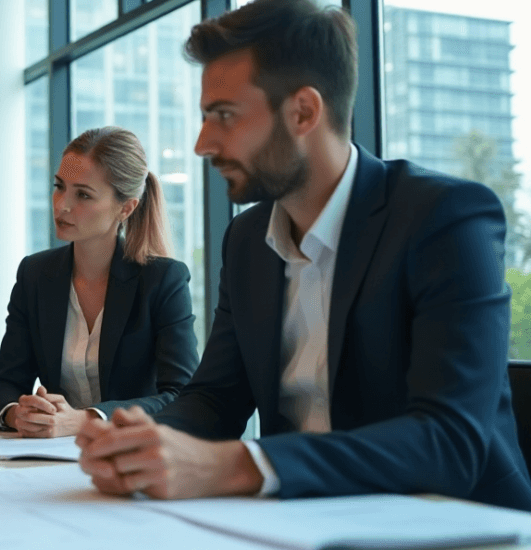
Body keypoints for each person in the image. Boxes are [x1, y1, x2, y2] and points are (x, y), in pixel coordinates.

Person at [77, 0, 531, 511]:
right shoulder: (247, 239)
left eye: (223, 116)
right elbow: (215, 399)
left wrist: (238, 465)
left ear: (304, 112)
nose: (204, 144)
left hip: (459, 523)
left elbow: (450, 440)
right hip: (301, 519)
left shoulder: (444, 218)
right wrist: (134, 438)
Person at [0, 127, 199, 438]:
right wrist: (20, 414)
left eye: (83, 194)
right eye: (59, 187)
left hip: (136, 453)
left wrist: (87, 419)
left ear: (126, 207)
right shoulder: (35, 275)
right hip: (49, 457)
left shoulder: (163, 280)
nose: (62, 205)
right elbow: (3, 387)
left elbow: (181, 396)